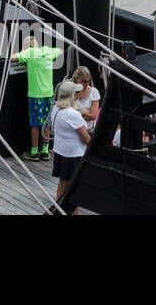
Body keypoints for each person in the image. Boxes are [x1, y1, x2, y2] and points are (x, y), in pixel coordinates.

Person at [11, 35, 63, 161]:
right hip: (49, 94)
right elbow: (60, 51)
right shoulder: (47, 51)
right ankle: (45, 150)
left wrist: (22, 53)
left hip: (36, 94)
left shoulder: (29, 52)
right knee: (46, 121)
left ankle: (34, 151)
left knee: (35, 123)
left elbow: (12, 58)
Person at [51, 79, 92, 213]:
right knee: (73, 190)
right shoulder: (72, 114)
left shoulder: (56, 108)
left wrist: (80, 113)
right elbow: (85, 137)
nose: (78, 95)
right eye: (76, 93)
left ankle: (59, 210)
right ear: (71, 96)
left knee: (63, 182)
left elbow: (67, 119)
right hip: (73, 155)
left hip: (60, 152)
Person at [71, 65, 100, 132]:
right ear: (77, 79)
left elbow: (93, 116)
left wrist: (74, 117)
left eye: (88, 81)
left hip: (88, 130)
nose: (87, 84)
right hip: (73, 130)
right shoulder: (71, 91)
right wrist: (82, 113)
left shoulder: (94, 91)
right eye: (84, 81)